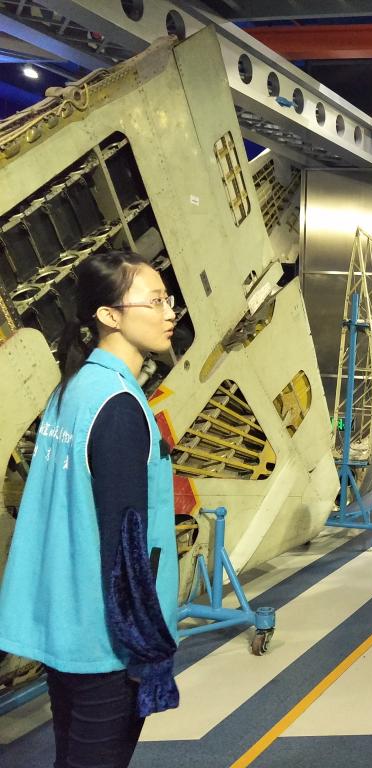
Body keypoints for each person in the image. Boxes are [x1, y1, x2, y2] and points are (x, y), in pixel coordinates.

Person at [0, 251, 180, 768]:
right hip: (106, 643)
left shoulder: (72, 390)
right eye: (154, 301)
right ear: (109, 315)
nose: (170, 313)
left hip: (64, 623)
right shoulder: (119, 406)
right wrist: (147, 649)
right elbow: (125, 546)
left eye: (168, 299)